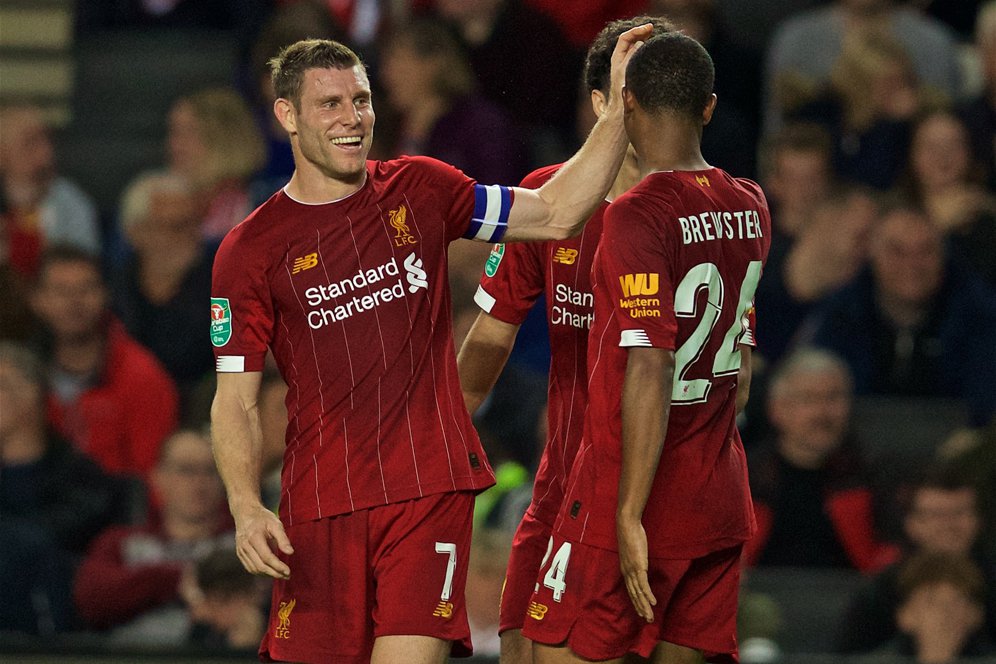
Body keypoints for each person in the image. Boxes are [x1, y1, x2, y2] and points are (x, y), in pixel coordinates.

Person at [209, 28, 651, 664]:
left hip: (429, 490)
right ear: (287, 115)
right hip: (318, 504)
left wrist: (612, 111)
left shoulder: (420, 187)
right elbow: (235, 401)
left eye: (360, 100)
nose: (352, 118)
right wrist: (246, 507)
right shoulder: (248, 250)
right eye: (329, 103)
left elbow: (555, 212)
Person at [521, 32, 771, 663]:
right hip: (717, 495)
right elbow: (739, 369)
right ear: (709, 107)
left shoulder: (635, 214)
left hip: (626, 493)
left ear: (622, 104)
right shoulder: (752, 204)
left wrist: (629, 511)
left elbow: (650, 365)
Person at [456, 15, 673, 663]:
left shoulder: (703, 211)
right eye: (635, 92)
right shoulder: (544, 200)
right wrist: (432, 440)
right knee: (519, 645)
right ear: (600, 102)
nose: (652, 111)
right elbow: (491, 337)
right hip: (561, 478)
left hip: (651, 483)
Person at [801, 203, 996, 426]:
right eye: (897, 251)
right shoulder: (840, 315)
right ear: (873, 255)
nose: (912, 264)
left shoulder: (981, 315)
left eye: (926, 251)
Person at [31, 245, 179, 480]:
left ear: (105, 294)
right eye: (60, 290)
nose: (74, 301)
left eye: (86, 288)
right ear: (37, 300)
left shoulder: (142, 376)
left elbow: (151, 477)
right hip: (34, 507)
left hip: (117, 510)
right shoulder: (21, 378)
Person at [743, 347, 898, 572]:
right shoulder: (745, 478)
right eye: (809, 399)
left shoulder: (874, 477)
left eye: (833, 398)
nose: (822, 413)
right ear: (776, 409)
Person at [74, 429, 234, 645]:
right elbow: (90, 600)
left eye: (210, 470)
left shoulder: (247, 545)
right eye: (186, 470)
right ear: (158, 477)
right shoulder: (119, 542)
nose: (199, 482)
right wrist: (176, 581)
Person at [838, 466, 996, 652]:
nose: (949, 525)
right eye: (936, 515)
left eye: (960, 512)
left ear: (978, 520)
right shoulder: (882, 592)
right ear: (912, 524)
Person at [0, 105, 100, 276]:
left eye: (47, 140)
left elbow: (85, 267)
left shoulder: (69, 200)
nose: (45, 153)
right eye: (30, 142)